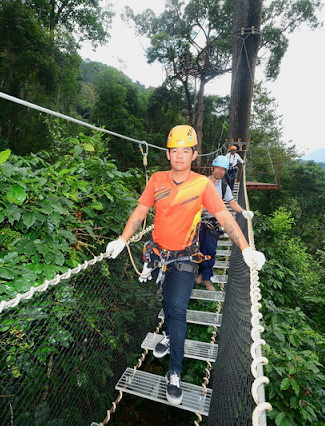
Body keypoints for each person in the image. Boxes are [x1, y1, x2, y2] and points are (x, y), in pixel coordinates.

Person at [105, 125, 265, 406]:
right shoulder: (156, 180)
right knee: (166, 302)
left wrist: (245, 247)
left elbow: (224, 217)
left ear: (194, 155)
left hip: (185, 258)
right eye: (174, 151)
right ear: (168, 155)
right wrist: (121, 240)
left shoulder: (202, 185)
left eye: (185, 151)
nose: (179, 156)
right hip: (157, 256)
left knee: (177, 308)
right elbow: (140, 212)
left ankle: (175, 371)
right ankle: (167, 335)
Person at [196, 155, 254, 291]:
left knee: (210, 250)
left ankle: (207, 277)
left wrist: (243, 212)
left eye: (223, 169)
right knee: (196, 248)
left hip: (213, 222)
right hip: (197, 220)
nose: (220, 171)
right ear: (213, 168)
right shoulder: (201, 182)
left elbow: (232, 202)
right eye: (218, 168)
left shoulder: (223, 186)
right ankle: (198, 272)